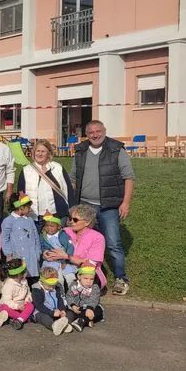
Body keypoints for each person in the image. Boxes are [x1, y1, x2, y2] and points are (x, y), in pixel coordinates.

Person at [70, 120, 135, 295]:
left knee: (113, 244)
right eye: (91, 132)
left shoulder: (116, 149)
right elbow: (73, 179)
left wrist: (125, 202)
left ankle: (121, 278)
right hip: (85, 207)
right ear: (86, 134)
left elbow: (129, 177)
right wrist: (73, 206)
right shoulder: (80, 151)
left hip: (108, 206)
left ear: (104, 131)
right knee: (83, 243)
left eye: (98, 131)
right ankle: (86, 276)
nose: (95, 135)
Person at [44, 204, 107, 289]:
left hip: (86, 274)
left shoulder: (97, 237)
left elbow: (89, 264)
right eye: (70, 219)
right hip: (62, 267)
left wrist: (67, 256)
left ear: (87, 222)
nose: (71, 222)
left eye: (75, 220)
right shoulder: (65, 231)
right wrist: (46, 253)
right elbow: (49, 243)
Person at [17, 139, 73, 225]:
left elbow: (69, 189)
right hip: (34, 215)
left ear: (49, 153)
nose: (39, 154)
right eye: (37, 151)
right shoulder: (26, 170)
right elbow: (20, 193)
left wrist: (71, 211)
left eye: (43, 151)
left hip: (56, 214)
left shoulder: (58, 168)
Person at [1, 193, 42, 282]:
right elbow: (4, 239)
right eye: (28, 207)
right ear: (21, 208)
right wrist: (8, 254)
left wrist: (38, 251)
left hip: (31, 255)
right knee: (19, 278)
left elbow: (36, 237)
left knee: (33, 280)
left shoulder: (29, 220)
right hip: (17, 255)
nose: (30, 209)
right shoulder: (8, 221)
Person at [0, 259, 34, 330]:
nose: (26, 271)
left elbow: (28, 292)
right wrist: (17, 306)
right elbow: (6, 300)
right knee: (4, 308)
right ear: (19, 274)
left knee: (31, 306)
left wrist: (28, 299)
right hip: (11, 305)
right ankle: (24, 318)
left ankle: (18, 320)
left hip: (22, 305)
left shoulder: (24, 281)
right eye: (25, 270)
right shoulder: (9, 285)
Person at [30, 266, 71, 336]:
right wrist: (51, 313)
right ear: (42, 281)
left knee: (70, 313)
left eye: (53, 284)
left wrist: (62, 310)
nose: (52, 287)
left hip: (56, 311)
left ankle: (64, 324)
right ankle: (54, 326)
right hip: (43, 311)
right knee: (43, 318)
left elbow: (60, 300)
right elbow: (39, 305)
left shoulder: (56, 287)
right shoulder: (37, 289)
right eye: (49, 285)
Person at [39, 213, 76, 288]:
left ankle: (73, 294)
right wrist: (45, 252)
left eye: (52, 226)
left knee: (70, 277)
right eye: (47, 225)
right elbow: (42, 247)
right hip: (52, 262)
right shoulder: (43, 236)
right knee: (58, 280)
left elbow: (70, 247)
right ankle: (60, 296)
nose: (49, 228)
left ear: (59, 226)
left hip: (65, 260)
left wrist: (66, 260)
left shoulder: (63, 235)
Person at [65, 264, 105, 331]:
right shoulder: (74, 285)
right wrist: (72, 305)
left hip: (88, 307)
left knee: (98, 311)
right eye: (85, 278)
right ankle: (85, 321)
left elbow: (94, 299)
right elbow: (69, 296)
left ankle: (82, 321)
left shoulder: (94, 287)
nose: (88, 281)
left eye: (91, 279)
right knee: (68, 312)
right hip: (76, 308)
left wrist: (89, 308)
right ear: (79, 277)